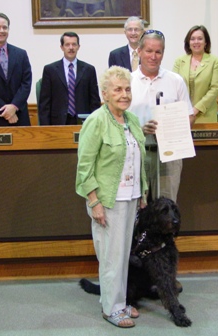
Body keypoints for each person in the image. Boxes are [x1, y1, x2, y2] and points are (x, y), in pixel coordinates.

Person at [76, 66, 147, 328]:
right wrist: (93, 201)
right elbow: (85, 167)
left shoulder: (132, 120)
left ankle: (118, 300)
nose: (124, 94)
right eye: (117, 89)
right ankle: (111, 308)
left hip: (131, 197)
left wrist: (142, 193)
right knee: (110, 256)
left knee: (122, 255)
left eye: (127, 89)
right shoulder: (96, 120)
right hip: (107, 200)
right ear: (105, 93)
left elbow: (138, 158)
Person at [129, 29, 194, 203]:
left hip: (169, 155)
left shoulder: (175, 81)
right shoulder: (128, 81)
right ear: (140, 51)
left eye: (158, 52)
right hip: (137, 154)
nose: (153, 56)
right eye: (149, 51)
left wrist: (172, 129)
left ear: (163, 53)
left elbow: (189, 116)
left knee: (165, 209)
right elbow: (117, 120)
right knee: (136, 208)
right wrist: (140, 129)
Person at [39, 31, 100, 125]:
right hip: (57, 122)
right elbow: (44, 103)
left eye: (74, 44)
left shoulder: (89, 70)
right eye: (67, 44)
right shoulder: (50, 70)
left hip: (83, 121)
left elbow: (94, 101)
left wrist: (95, 124)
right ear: (62, 47)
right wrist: (45, 128)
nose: (71, 48)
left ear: (78, 47)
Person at [173, 25, 218, 123]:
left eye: (200, 39)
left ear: (205, 42)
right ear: (188, 42)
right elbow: (173, 86)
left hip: (205, 115)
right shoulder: (179, 61)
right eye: (192, 39)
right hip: (182, 116)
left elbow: (214, 88)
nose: (196, 42)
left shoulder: (214, 61)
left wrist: (196, 109)